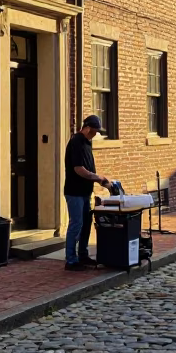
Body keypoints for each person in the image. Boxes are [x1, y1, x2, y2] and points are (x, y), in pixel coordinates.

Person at [63, 115, 110, 269]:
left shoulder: (87, 142)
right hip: (74, 191)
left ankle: (83, 255)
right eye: (94, 131)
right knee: (76, 224)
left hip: (85, 191)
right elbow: (79, 169)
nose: (95, 134)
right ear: (88, 128)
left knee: (86, 223)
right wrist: (98, 178)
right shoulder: (76, 142)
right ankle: (71, 260)